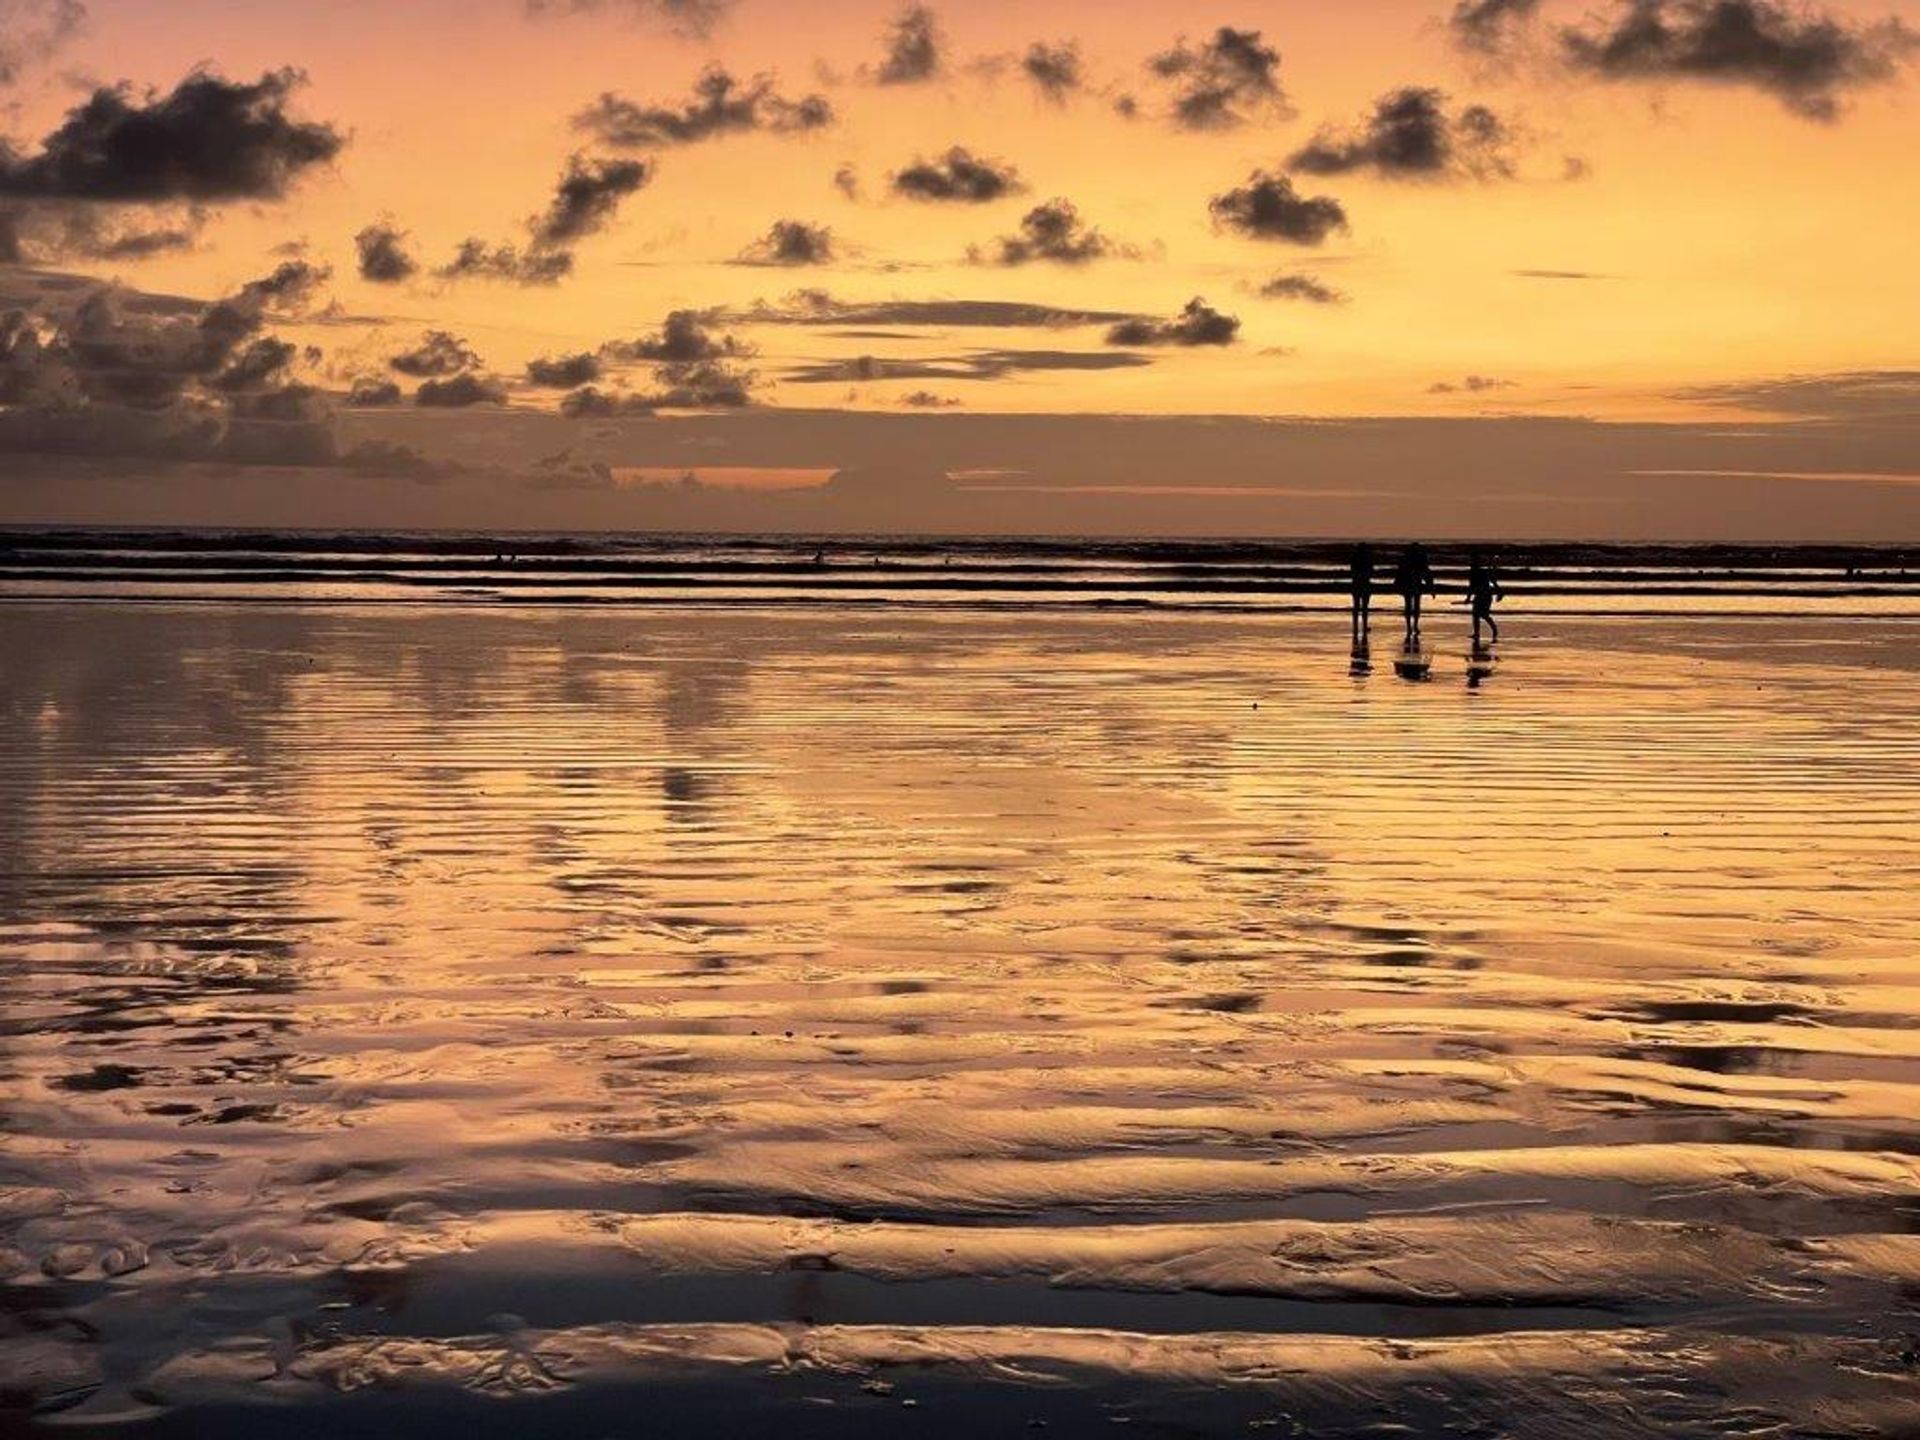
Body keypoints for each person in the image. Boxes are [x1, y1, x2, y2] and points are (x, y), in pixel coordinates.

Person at [1392, 542, 1435, 642]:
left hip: (1408, 584)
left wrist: (1396, 583)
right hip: (1415, 584)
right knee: (1415, 606)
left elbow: (1399, 572)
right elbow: (1426, 573)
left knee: (1409, 606)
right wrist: (1430, 587)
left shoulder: (1406, 559)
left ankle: (1410, 627)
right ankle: (1414, 626)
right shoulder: (1420, 558)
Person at [1465, 549, 1504, 646]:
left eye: (1472, 560)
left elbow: (1471, 586)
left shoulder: (1475, 572)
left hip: (1483, 595)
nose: (1471, 562)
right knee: (1477, 615)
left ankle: (1493, 630)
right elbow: (1493, 582)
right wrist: (1499, 592)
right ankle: (1478, 633)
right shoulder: (1482, 571)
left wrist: (1468, 598)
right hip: (1484, 595)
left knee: (1481, 615)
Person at [1348, 542, 1375, 642]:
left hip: (1356, 583)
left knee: (1356, 606)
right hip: (1365, 583)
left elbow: (1352, 570)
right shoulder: (1368, 558)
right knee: (1364, 607)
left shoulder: (1354, 557)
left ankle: (1355, 626)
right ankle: (1364, 626)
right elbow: (1372, 571)